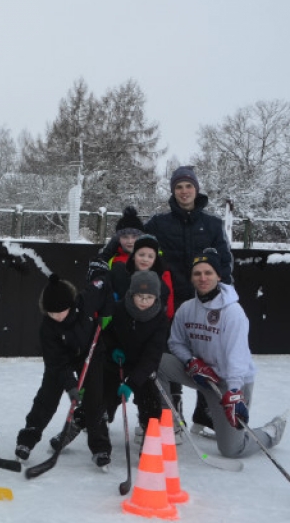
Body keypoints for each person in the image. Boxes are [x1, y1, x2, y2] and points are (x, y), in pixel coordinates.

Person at [156, 249, 287, 458]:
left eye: (208, 272)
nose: (203, 278)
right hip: (201, 373)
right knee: (157, 363)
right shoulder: (187, 309)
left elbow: (238, 356)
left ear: (218, 276)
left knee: (232, 449)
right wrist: (190, 362)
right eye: (197, 273)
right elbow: (175, 343)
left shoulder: (232, 312)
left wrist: (234, 391)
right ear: (191, 278)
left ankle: (270, 433)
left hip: (229, 381)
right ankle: (167, 421)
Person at [144, 165, 234, 434]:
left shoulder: (213, 224)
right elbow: (138, 248)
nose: (184, 191)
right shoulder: (159, 224)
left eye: (188, 186)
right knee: (170, 353)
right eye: (179, 186)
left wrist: (225, 299)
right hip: (171, 302)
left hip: (205, 302)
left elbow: (225, 264)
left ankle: (205, 412)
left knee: (206, 355)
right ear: (173, 191)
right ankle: (174, 410)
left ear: (196, 189)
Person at [15, 272, 109, 467]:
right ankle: (27, 439)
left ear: (71, 304)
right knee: (47, 397)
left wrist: (106, 312)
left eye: (61, 311)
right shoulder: (47, 328)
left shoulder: (86, 301)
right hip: (62, 359)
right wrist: (71, 386)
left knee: (94, 400)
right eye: (52, 313)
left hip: (90, 354)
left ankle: (100, 448)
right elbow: (56, 363)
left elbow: (104, 284)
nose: (57, 316)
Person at [95, 270, 169, 438]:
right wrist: (113, 348)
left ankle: (150, 434)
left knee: (150, 401)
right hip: (117, 362)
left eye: (149, 297)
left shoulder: (160, 319)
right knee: (101, 394)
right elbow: (106, 334)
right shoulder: (118, 309)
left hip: (142, 367)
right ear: (131, 293)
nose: (144, 301)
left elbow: (153, 355)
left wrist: (132, 383)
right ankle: (91, 420)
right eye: (140, 296)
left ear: (156, 297)